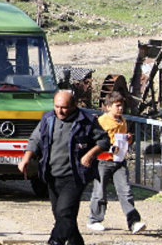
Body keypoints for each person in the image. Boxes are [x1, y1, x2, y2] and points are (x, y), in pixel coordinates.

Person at [18, 90, 110, 245]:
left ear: (74, 105)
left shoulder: (86, 120)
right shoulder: (48, 119)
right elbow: (35, 139)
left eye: (64, 107)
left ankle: (55, 241)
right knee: (62, 216)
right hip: (52, 175)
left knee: (64, 212)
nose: (60, 111)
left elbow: (104, 141)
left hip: (74, 175)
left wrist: (90, 154)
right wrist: (26, 159)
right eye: (57, 106)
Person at [87, 91, 146, 234]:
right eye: (117, 106)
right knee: (99, 192)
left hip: (119, 161)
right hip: (103, 161)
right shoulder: (101, 121)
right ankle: (94, 220)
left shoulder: (123, 120)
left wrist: (128, 139)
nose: (120, 109)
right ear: (108, 107)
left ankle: (133, 222)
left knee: (126, 191)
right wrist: (110, 147)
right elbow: (96, 141)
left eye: (122, 106)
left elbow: (121, 138)